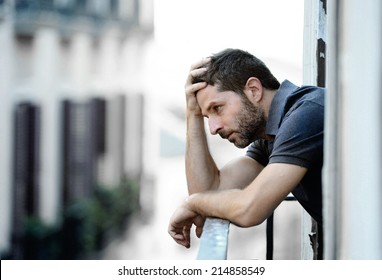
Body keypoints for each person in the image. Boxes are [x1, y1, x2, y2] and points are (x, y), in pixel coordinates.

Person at [168, 48, 325, 258]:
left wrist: (191, 203)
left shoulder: (306, 114)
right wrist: (193, 113)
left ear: (253, 90)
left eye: (217, 108)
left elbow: (249, 209)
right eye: (207, 117)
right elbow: (209, 191)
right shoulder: (269, 137)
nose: (213, 128)